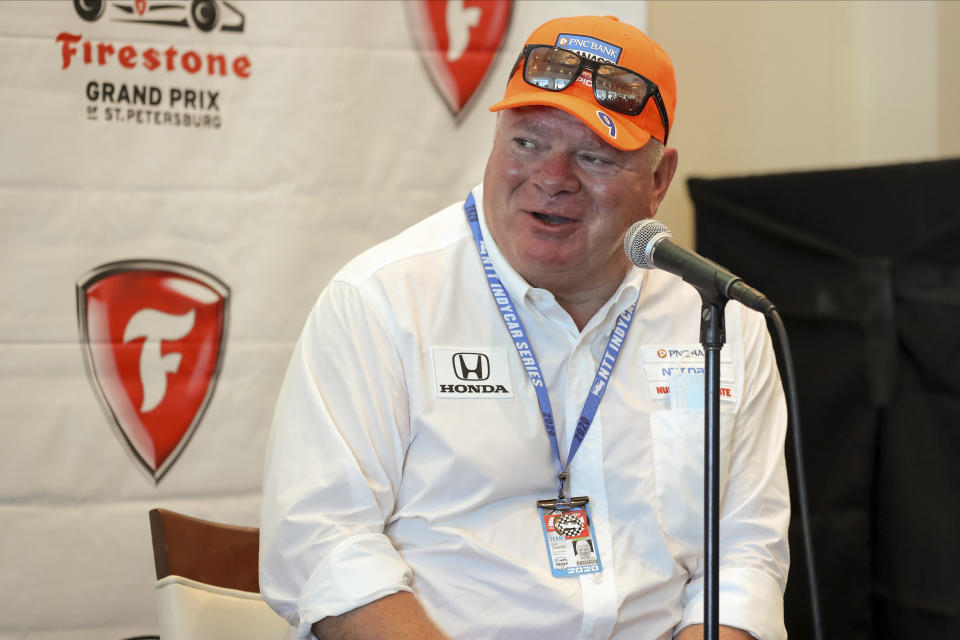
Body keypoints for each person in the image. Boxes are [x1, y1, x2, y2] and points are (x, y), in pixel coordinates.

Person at [260, 14, 789, 640]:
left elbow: (744, 552)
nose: (552, 178)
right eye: (527, 143)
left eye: (593, 156)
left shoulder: (720, 319)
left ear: (659, 181)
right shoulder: (382, 301)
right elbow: (324, 545)